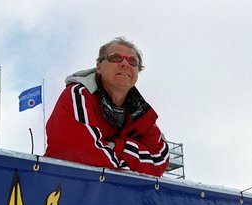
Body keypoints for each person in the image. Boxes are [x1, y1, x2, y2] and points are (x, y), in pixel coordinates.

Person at [45, 37, 169, 177]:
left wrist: (116, 147)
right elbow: (80, 153)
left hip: (119, 196)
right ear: (99, 67)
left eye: (133, 61)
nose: (125, 64)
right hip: (64, 189)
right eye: (115, 57)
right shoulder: (78, 95)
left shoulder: (141, 114)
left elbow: (159, 159)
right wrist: (132, 166)